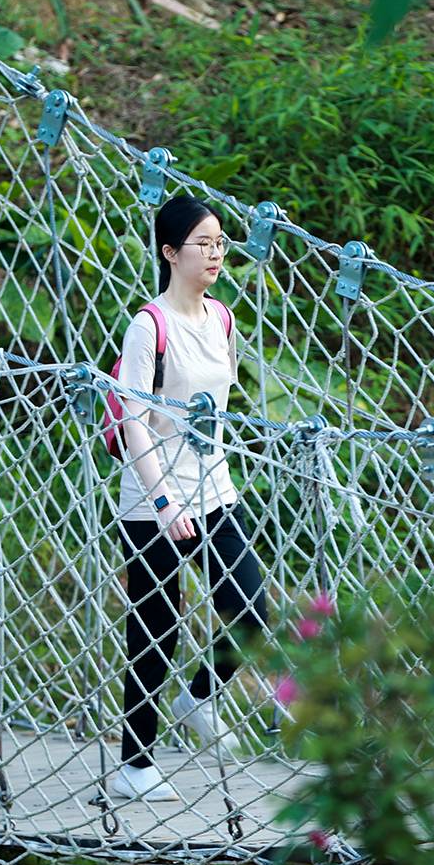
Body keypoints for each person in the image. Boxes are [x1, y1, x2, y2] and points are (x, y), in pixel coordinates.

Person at [109, 194, 271, 802]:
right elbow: (134, 421)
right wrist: (164, 502)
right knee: (156, 630)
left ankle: (199, 696)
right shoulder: (147, 327)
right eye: (203, 243)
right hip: (153, 502)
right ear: (170, 252)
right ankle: (135, 765)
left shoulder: (222, 319)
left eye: (220, 242)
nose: (215, 253)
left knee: (251, 611)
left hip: (215, 492)